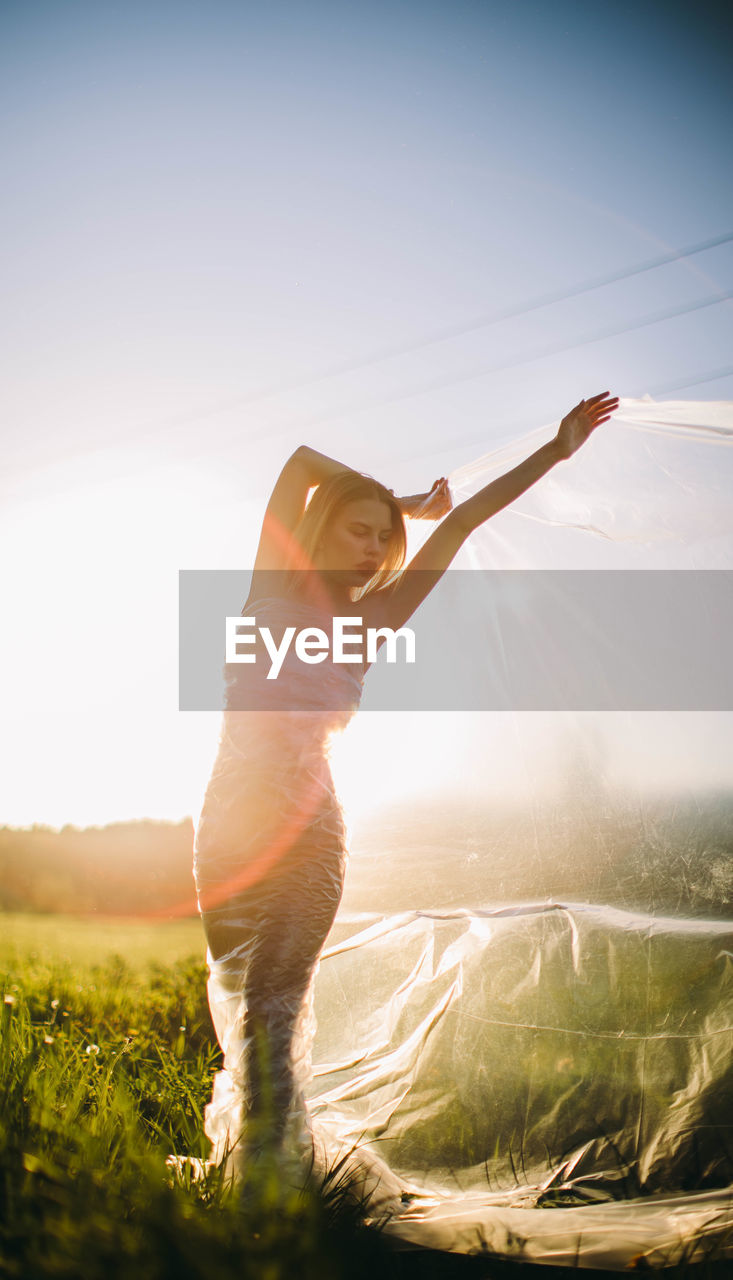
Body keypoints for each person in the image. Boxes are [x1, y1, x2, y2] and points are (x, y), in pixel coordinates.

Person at [192, 392, 619, 1186]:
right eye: (359, 529)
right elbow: (299, 467)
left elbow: (461, 526)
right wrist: (400, 500)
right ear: (321, 531)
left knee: (274, 1008)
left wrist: (556, 450)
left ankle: (267, 1187)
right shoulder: (267, 586)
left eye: (382, 540)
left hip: (309, 836)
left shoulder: (375, 616)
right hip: (223, 831)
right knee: (240, 1003)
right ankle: (265, 1168)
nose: (372, 547)